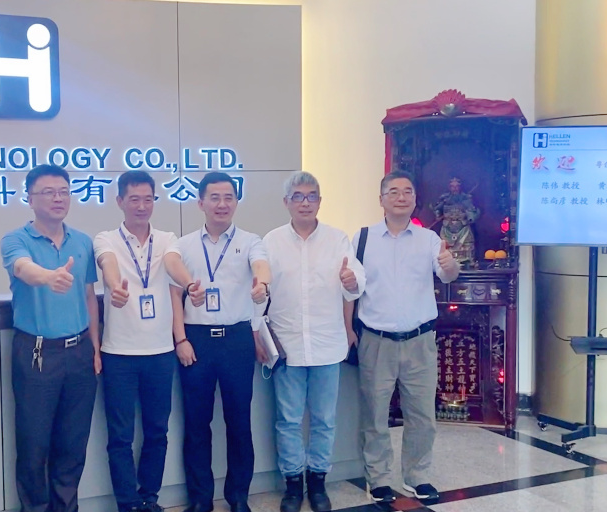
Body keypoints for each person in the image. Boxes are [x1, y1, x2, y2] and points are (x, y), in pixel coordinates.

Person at [93, 171, 206, 512]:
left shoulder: (167, 239)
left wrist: (189, 284)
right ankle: (128, 503)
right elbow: (108, 263)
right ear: (120, 201)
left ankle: (149, 498)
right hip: (119, 354)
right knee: (120, 437)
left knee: (157, 432)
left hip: (160, 353)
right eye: (134, 199)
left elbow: (173, 264)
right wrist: (115, 286)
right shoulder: (106, 238)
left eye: (148, 199)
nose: (142, 206)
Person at [351, 171, 459, 504]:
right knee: (374, 414)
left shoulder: (429, 239)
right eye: (394, 191)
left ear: (414, 199)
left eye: (407, 191)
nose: (401, 197)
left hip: (420, 341)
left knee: (422, 414)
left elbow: (447, 275)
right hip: (376, 340)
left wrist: (450, 264)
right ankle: (379, 478)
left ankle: (417, 476)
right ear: (381, 199)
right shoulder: (362, 238)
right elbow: (351, 287)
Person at [261, 172, 364, 512]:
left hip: (327, 344)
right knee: (288, 420)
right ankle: (293, 484)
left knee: (324, 420)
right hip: (287, 347)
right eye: (298, 196)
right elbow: (259, 294)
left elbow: (356, 282)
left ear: (320, 201)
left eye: (311, 196)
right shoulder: (271, 242)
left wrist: (351, 280)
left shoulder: (337, 239)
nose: (305, 202)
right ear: (286, 202)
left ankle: (318, 482)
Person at [1, 164, 102, 512]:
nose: (58, 198)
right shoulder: (15, 240)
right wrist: (49, 277)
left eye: (63, 192)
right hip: (37, 353)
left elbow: (89, 296)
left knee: (73, 444)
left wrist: (95, 347)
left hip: (80, 352)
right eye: (48, 192)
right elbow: (22, 268)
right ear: (30, 199)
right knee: (34, 444)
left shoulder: (82, 241)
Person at [172, 172, 271, 512]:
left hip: (236, 339)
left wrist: (262, 284)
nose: (222, 204)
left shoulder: (250, 240)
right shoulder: (183, 245)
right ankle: (200, 499)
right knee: (196, 424)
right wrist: (181, 339)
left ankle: (238, 496)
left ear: (236, 202)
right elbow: (174, 294)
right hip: (197, 340)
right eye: (214, 197)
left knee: (239, 422)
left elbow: (262, 267)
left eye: (228, 197)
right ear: (200, 202)